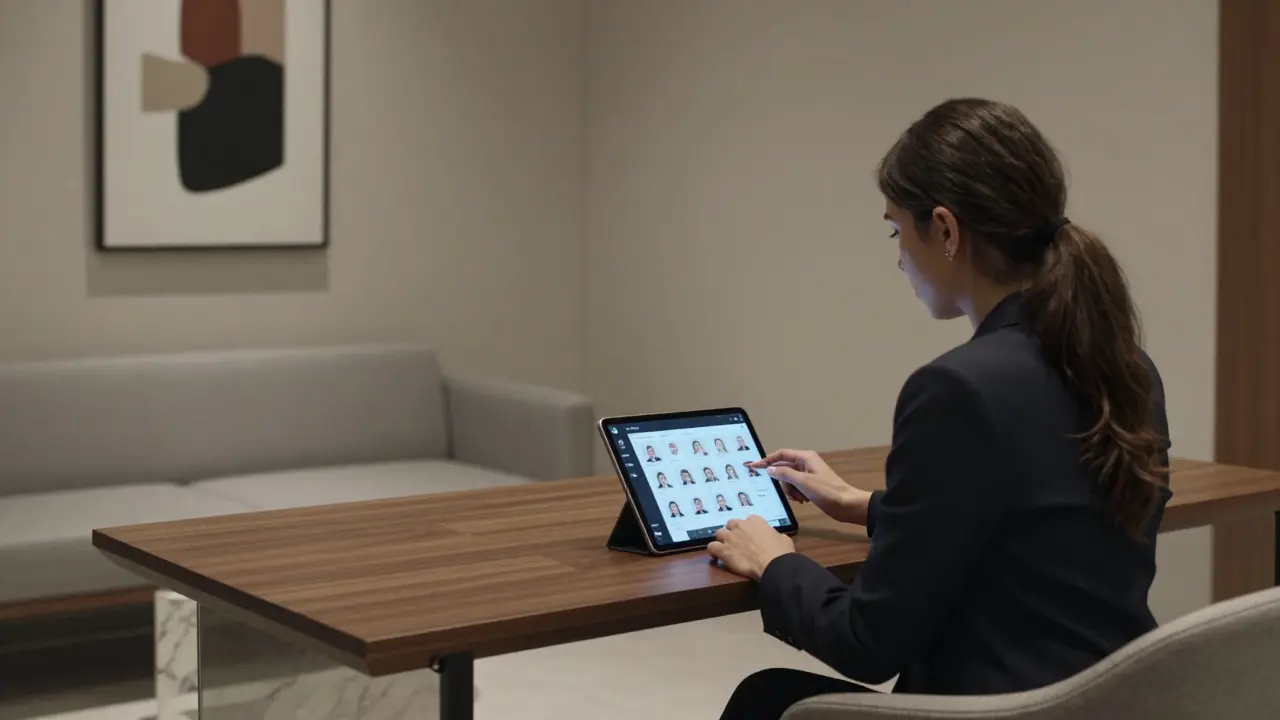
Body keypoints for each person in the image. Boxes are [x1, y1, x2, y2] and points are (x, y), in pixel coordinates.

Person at [709, 98, 1172, 720]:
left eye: (897, 230)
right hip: (1107, 704)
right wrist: (863, 506)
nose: (898, 257)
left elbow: (868, 642)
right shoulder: (1128, 368)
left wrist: (777, 565)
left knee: (763, 700)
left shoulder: (957, 388)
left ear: (948, 231)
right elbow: (1035, 530)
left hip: (994, 710)